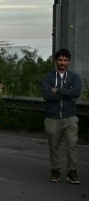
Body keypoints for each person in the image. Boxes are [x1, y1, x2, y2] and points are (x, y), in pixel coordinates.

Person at [41, 48, 83, 184]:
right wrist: (67, 92)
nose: (62, 62)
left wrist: (57, 90)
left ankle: (73, 172)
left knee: (72, 145)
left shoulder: (74, 77)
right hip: (52, 117)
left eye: (65, 60)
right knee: (53, 146)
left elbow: (76, 92)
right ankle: (55, 171)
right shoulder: (48, 77)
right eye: (60, 59)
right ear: (56, 61)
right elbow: (46, 95)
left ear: (69, 62)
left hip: (70, 117)